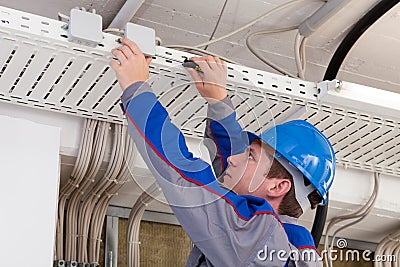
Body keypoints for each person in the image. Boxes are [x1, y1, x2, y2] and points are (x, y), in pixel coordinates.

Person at [110, 38, 335, 266]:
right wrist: (218, 101)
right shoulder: (285, 247)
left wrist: (136, 89)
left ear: (278, 187)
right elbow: (236, 177)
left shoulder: (258, 240)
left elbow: (186, 177)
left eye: (250, 156)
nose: (233, 159)